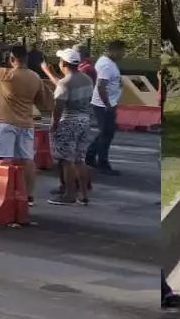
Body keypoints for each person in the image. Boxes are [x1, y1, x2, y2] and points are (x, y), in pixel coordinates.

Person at [0, 44, 43, 205]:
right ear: (26, 58)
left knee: (4, 158)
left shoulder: (6, 74)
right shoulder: (35, 77)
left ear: (11, 59)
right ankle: (28, 196)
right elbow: (40, 101)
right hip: (26, 123)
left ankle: (3, 193)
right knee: (27, 158)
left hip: (6, 122)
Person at [47, 48, 95, 206]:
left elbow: (58, 106)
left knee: (66, 159)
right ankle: (84, 195)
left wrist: (54, 124)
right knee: (80, 159)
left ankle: (69, 195)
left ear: (64, 63)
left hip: (68, 121)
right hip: (85, 121)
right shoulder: (87, 79)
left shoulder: (64, 83)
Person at [85, 40, 125, 176]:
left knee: (106, 133)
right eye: (121, 51)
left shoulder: (108, 63)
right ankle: (103, 164)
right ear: (114, 50)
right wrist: (108, 105)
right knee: (106, 134)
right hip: (104, 105)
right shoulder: (107, 65)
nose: (123, 54)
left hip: (108, 103)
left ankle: (90, 157)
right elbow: (101, 86)